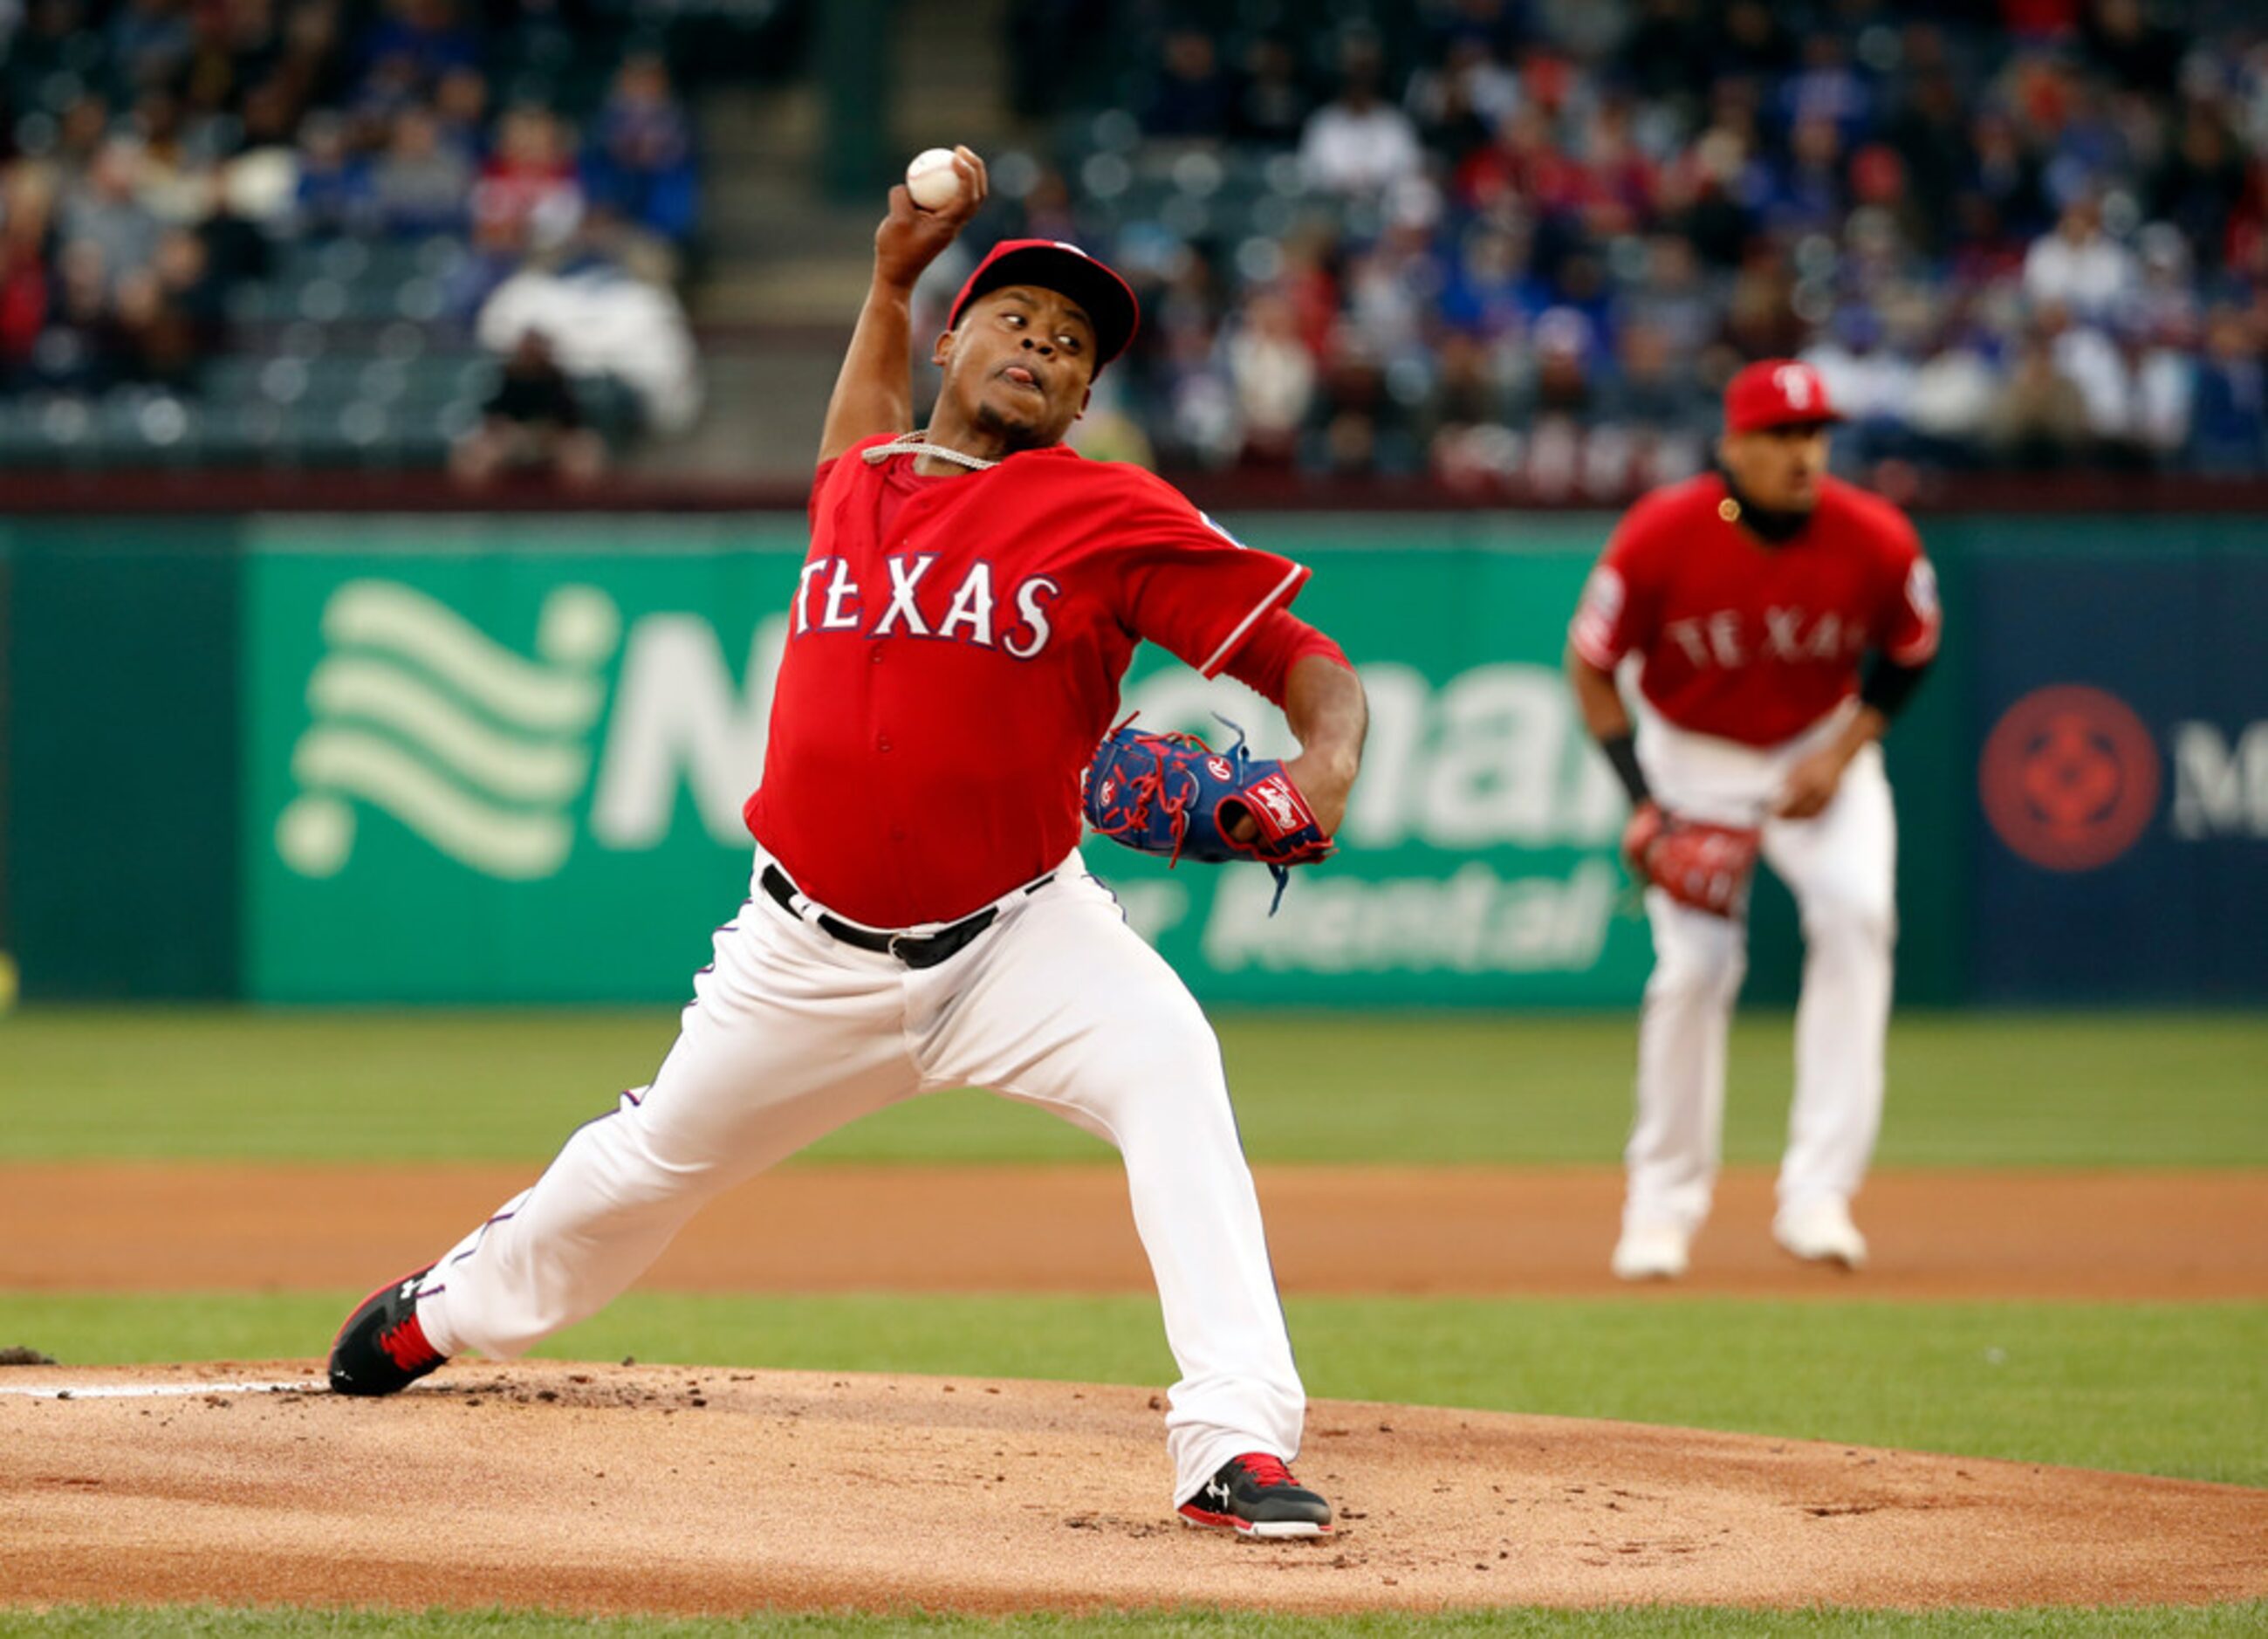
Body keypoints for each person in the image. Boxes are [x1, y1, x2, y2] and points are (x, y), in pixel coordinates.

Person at [328, 148, 1370, 1540]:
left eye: (1071, 347)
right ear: (954, 337)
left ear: (1081, 396)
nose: (1043, 349)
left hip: (1018, 936)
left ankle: (1230, 1441)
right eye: (1015, 319)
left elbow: (1311, 662)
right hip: (799, 952)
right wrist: (885, 278)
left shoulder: (1113, 513)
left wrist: (1323, 769)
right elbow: (864, 416)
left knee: (1173, 1071)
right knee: (643, 1166)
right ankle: (448, 1310)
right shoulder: (860, 480)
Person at [1565, 360, 1941, 1280]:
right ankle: (1659, 1209)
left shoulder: (1876, 535)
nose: (1800, 452)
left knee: (1856, 916)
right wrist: (1644, 803)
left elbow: (1909, 649)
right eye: (1778, 435)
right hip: (1692, 756)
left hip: (1818, 750)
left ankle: (1819, 1195)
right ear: (1732, 444)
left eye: (1812, 434)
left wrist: (1844, 750)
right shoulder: (1661, 532)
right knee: (1693, 969)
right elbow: (1589, 664)